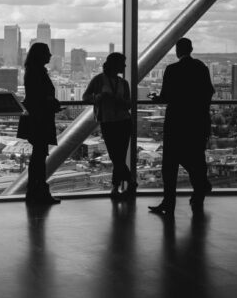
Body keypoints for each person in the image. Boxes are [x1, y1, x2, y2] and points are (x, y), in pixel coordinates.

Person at [148, 38, 215, 215]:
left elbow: (166, 97)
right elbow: (209, 92)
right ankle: (199, 191)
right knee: (196, 158)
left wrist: (156, 98)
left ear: (178, 51)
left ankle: (169, 202)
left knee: (170, 164)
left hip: (176, 122)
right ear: (191, 49)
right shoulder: (201, 68)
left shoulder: (172, 69)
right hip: (197, 122)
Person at [82, 52, 135, 200]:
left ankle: (116, 188)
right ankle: (128, 182)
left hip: (122, 121)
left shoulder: (123, 83)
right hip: (110, 121)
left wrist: (118, 100)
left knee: (118, 156)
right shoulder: (98, 80)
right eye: (122, 63)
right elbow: (86, 97)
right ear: (115, 64)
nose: (124, 66)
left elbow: (129, 104)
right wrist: (99, 97)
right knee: (116, 156)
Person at [17, 42, 62, 204]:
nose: (50, 56)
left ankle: (34, 191)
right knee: (39, 157)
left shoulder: (32, 71)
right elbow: (40, 96)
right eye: (47, 53)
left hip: (35, 118)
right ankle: (38, 192)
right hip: (40, 119)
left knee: (38, 156)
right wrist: (51, 103)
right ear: (40, 55)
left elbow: (35, 96)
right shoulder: (37, 72)